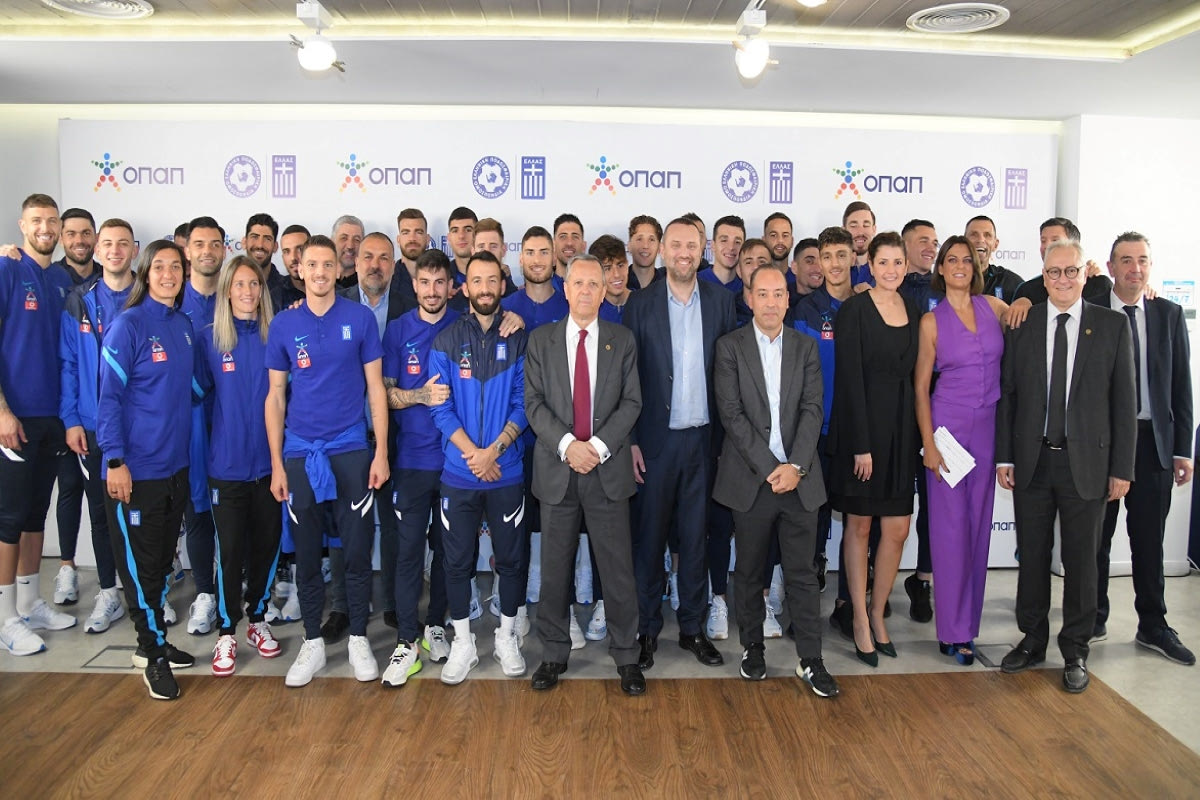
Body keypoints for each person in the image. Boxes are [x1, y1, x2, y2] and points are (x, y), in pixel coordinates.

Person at [996, 239, 1136, 693]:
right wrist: (1005, 456)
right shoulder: (1024, 324)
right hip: (1033, 463)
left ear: (1084, 274)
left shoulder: (1111, 325)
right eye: (1054, 272)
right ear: (1043, 275)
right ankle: (1032, 639)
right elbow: (1009, 396)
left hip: (1088, 466)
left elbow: (1124, 403)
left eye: (1071, 271)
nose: (1062, 280)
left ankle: (1075, 649)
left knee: (1082, 563)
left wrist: (1122, 469)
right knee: (1033, 556)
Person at [265, 234, 390, 688]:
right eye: (311, 264)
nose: (319, 272)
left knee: (355, 551)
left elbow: (375, 389)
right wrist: (277, 464)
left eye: (327, 264)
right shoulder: (284, 324)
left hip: (351, 450)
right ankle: (313, 641)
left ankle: (357, 637)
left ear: (340, 270)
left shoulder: (359, 319)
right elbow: (275, 396)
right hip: (300, 453)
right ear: (299, 270)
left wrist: (381, 452)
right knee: (306, 554)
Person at [713, 264, 839, 697]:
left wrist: (795, 466)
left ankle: (811, 659)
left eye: (778, 294)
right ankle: (752, 648)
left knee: (803, 573)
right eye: (762, 294)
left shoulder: (805, 347)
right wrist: (771, 468)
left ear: (788, 300)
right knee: (749, 571)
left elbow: (813, 409)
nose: (770, 302)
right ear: (749, 299)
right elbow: (731, 415)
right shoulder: (729, 347)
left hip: (799, 479)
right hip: (752, 479)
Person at [525, 254, 646, 695]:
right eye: (578, 283)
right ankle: (554, 654)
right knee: (555, 571)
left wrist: (595, 448)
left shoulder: (622, 340)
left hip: (606, 470)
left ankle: (627, 656)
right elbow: (533, 404)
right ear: (566, 288)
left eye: (595, 284)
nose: (586, 291)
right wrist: (568, 446)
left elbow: (632, 403)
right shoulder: (541, 341)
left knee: (617, 571)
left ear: (605, 290)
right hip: (558, 470)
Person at [624, 217, 737, 670]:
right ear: (663, 251)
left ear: (701, 249)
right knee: (650, 541)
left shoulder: (722, 302)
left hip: (704, 444)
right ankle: (647, 628)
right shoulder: (639, 304)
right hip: (654, 443)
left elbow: (728, 375)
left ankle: (692, 628)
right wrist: (631, 440)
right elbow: (628, 379)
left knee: (695, 541)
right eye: (676, 245)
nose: (684, 253)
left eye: (692, 245)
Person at [97, 240, 198, 699]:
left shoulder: (183, 325)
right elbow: (108, 399)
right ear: (145, 273)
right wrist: (115, 461)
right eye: (159, 267)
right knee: (139, 570)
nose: (168, 275)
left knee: (159, 565)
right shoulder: (129, 325)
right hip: (135, 473)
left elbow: (194, 389)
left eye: (175, 267)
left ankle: (152, 642)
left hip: (175, 468)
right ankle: (153, 656)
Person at [428, 250, 529, 685]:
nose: (485, 289)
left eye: (492, 280)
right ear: (464, 287)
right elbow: (440, 407)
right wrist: (475, 454)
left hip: (506, 471)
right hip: (460, 472)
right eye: (477, 281)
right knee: (455, 562)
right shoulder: (446, 340)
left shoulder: (520, 338)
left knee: (511, 560)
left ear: (502, 285)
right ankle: (464, 643)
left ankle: (507, 637)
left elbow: (525, 403)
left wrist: (496, 451)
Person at [1095, 232, 1194, 665]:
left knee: (1149, 542)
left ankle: (1153, 625)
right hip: (1102, 445)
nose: (1135, 268)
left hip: (1153, 444)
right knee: (1095, 539)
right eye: (1126, 260)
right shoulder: (1091, 311)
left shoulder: (1168, 314)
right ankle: (1092, 617)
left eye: (1143, 260)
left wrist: (1182, 448)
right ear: (1110, 267)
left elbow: (1181, 386)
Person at [914, 236, 1008, 665]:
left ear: (976, 266)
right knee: (950, 532)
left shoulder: (994, 307)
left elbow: (1029, 309)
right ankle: (951, 632)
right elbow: (920, 388)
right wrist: (929, 444)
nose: (959, 266)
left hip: (987, 429)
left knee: (978, 528)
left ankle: (968, 626)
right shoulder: (931, 322)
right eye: (951, 259)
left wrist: (1024, 303)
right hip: (948, 429)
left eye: (966, 260)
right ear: (940, 267)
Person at [828, 231, 920, 667]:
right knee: (860, 527)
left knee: (897, 528)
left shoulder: (914, 309)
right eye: (883, 262)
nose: (891, 270)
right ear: (870, 266)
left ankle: (879, 612)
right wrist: (860, 446)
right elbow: (848, 379)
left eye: (898, 263)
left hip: (902, 433)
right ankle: (860, 620)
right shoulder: (854, 310)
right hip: (862, 435)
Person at [195, 255, 283, 676]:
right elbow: (196, 395)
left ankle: (258, 619)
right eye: (240, 284)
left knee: (267, 547)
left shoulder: (276, 336)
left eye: (254, 284)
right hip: (226, 468)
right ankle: (227, 629)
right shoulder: (209, 339)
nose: (248, 292)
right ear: (227, 290)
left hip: (270, 466)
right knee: (229, 552)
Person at [0, 194, 77, 657]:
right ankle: (5, 617)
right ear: (22, 225)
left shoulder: (61, 279)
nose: (45, 228)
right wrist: (2, 412)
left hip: (51, 416)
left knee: (34, 512)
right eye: (36, 221)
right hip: (15, 416)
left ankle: (29, 602)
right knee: (8, 517)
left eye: (51, 221)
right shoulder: (7, 269)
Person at [379, 249, 457, 686]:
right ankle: (406, 640)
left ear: (450, 287)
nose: (431, 290)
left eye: (439, 282)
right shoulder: (397, 330)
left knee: (448, 552)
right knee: (408, 552)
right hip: (410, 462)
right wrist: (420, 396)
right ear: (414, 286)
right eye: (424, 282)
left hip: (454, 462)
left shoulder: (464, 326)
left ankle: (434, 627)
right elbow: (386, 396)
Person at [58, 218, 138, 634]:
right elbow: (69, 364)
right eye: (108, 243)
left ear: (134, 250)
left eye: (123, 244)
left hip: (143, 426)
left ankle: (149, 592)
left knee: (145, 513)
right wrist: (72, 419)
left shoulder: (150, 295)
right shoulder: (80, 301)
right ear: (98, 250)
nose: (115, 251)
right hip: (93, 426)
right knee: (102, 513)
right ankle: (109, 591)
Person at [792, 227, 854, 599]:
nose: (833, 264)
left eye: (841, 255)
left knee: (859, 519)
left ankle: (853, 594)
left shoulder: (867, 304)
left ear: (853, 258)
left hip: (858, 433)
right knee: (812, 514)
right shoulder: (805, 310)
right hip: (816, 433)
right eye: (826, 256)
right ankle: (810, 580)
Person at [181, 216, 225, 638]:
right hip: (189, 422)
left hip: (233, 419)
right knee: (197, 509)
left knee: (234, 508)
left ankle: (235, 589)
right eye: (200, 244)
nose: (207, 251)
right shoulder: (173, 301)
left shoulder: (237, 297)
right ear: (187, 250)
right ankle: (204, 593)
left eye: (214, 243)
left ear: (224, 250)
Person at [965, 215, 1022, 303]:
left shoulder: (1008, 281)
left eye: (987, 235)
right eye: (974, 235)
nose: (980, 240)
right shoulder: (950, 279)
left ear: (995, 244)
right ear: (964, 243)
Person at [590, 235, 632, 324]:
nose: (616, 274)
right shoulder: (591, 311)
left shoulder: (643, 304)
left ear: (627, 265)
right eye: (607, 268)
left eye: (620, 265)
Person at [843, 201, 877, 291]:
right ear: (844, 230)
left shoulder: (884, 270)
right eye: (854, 226)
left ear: (874, 229)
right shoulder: (833, 270)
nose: (860, 232)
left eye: (866, 225)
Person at [626, 215, 662, 291]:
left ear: (660, 247)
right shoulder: (618, 283)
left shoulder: (668, 285)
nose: (645, 246)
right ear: (629, 246)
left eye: (651, 240)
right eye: (639, 239)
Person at [332, 214, 365, 289]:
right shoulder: (321, 279)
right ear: (332, 243)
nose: (350, 246)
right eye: (344, 238)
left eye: (356, 240)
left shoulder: (366, 285)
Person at [552, 214, 587, 284]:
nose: (569, 243)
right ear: (553, 245)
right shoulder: (540, 288)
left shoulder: (595, 288)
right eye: (563, 236)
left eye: (575, 237)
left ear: (584, 246)